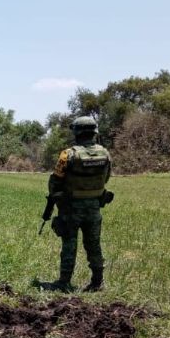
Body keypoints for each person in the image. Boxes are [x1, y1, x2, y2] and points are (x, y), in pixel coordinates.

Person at [46, 116, 112, 292]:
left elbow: (55, 181)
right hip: (94, 207)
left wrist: (58, 197)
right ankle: (97, 283)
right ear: (94, 132)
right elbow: (105, 178)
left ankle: (64, 282)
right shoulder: (105, 153)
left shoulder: (68, 154)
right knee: (94, 244)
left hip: (71, 207)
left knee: (69, 244)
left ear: (76, 132)